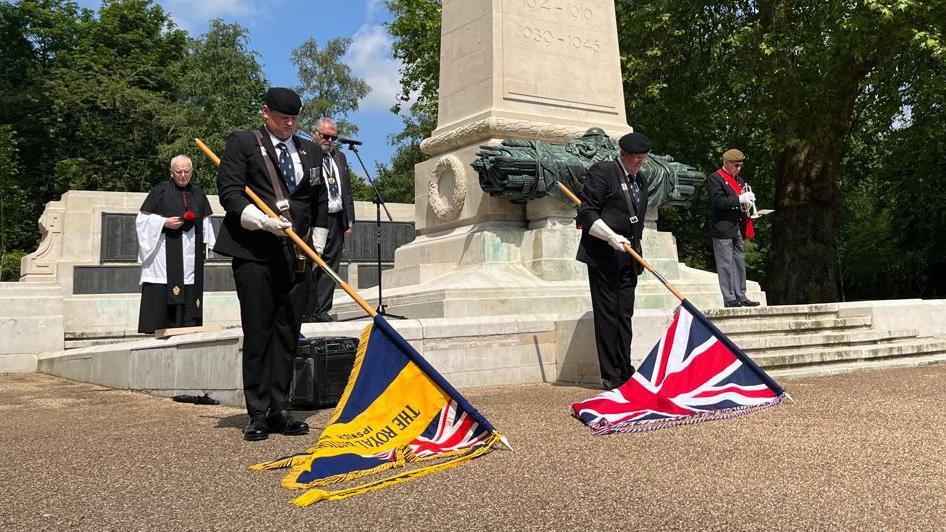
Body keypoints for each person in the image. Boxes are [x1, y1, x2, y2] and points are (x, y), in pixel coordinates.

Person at [214, 87, 329, 441]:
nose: (289, 124)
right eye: (282, 118)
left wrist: (319, 241)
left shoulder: (310, 149)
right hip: (255, 254)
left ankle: (281, 409)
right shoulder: (243, 144)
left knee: (287, 333)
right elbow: (229, 192)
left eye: (294, 118)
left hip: (296, 257)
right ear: (265, 112)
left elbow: (318, 197)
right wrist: (260, 221)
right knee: (259, 332)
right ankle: (258, 412)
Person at [576, 132, 651, 390]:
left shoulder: (640, 180)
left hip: (630, 257)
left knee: (624, 314)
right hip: (604, 255)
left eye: (643, 159)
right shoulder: (603, 172)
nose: (639, 164)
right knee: (608, 315)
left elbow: (636, 221)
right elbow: (586, 212)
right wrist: (610, 237)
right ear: (624, 155)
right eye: (636, 159)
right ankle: (612, 375)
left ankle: (625, 367)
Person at [136, 155, 215, 334]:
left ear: (192, 173)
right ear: (171, 173)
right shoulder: (160, 191)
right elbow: (142, 220)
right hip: (165, 255)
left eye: (186, 171)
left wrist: (208, 245)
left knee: (189, 293)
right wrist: (163, 223)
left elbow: (205, 222)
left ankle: (187, 327)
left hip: (190, 256)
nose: (182, 175)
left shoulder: (198, 193)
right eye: (178, 172)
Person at [301, 117, 356, 322]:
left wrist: (348, 220)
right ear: (315, 133)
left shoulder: (339, 157)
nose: (329, 141)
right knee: (313, 262)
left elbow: (346, 190)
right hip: (316, 218)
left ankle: (322, 309)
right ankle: (307, 310)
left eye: (333, 137)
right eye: (325, 136)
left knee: (331, 266)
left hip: (337, 217)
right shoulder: (306, 154)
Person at [707, 148, 760, 308]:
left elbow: (741, 203)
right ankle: (730, 297)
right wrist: (739, 199)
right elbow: (717, 202)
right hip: (723, 227)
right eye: (736, 165)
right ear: (727, 163)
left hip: (738, 225)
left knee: (739, 262)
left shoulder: (740, 181)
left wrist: (749, 203)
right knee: (725, 264)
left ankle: (741, 295)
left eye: (740, 166)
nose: (738, 169)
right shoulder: (715, 178)